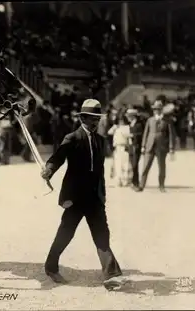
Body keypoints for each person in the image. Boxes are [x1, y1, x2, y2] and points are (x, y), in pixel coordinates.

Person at [40, 99, 125, 291]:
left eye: (98, 118)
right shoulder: (72, 138)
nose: (96, 122)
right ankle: (50, 266)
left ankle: (112, 275)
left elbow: (100, 169)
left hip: (95, 197)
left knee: (102, 234)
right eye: (92, 118)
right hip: (75, 198)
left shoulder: (101, 140)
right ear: (83, 118)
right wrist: (49, 170)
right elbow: (58, 158)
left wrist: (102, 194)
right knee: (66, 233)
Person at [135, 101, 176, 192]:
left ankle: (161, 186)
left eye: (158, 109)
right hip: (150, 146)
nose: (156, 111)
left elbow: (171, 135)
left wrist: (171, 148)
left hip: (161, 147)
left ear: (161, 110)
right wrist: (143, 145)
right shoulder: (150, 120)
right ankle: (141, 185)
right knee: (145, 166)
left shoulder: (167, 121)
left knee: (161, 167)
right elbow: (146, 133)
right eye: (154, 109)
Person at [108, 114, 131, 187]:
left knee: (126, 164)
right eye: (119, 120)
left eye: (122, 120)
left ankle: (126, 180)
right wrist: (115, 127)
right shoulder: (116, 127)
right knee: (118, 165)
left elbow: (129, 137)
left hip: (124, 147)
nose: (121, 122)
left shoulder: (127, 127)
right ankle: (118, 181)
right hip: (117, 147)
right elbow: (109, 132)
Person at [126, 108, 144, 189]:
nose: (128, 118)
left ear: (133, 116)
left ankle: (136, 182)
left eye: (129, 116)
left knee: (135, 165)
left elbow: (141, 135)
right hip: (130, 147)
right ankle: (133, 182)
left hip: (136, 147)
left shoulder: (139, 125)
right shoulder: (130, 124)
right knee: (132, 164)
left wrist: (133, 135)